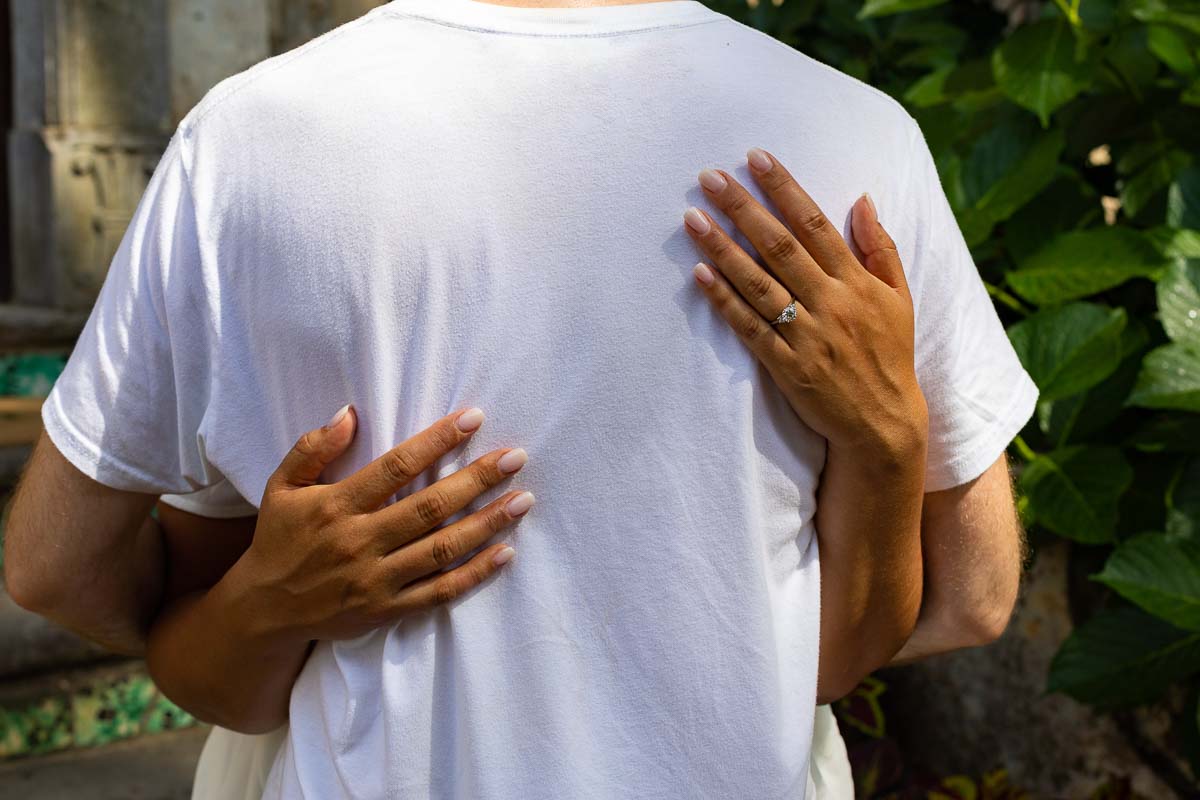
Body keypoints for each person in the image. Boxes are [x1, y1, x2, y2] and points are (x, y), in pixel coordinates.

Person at [3, 0, 1037, 797]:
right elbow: (974, 590)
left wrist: (268, 602)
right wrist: (891, 444)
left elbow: (54, 565)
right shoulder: (850, 136)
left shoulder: (248, 139)